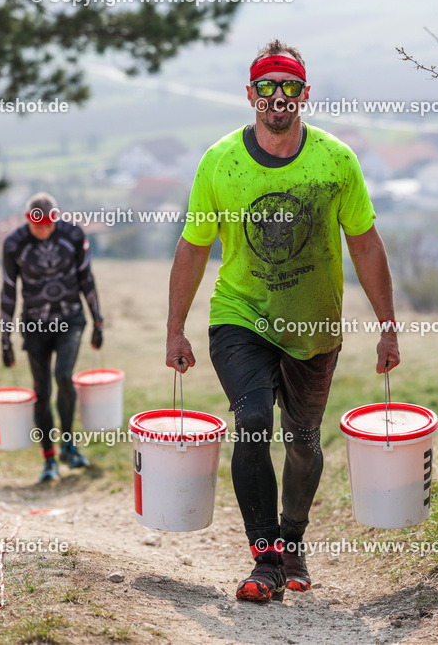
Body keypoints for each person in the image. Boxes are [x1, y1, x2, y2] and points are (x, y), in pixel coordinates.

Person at [165, 39, 400, 602]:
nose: (278, 98)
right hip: (239, 314)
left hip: (314, 326)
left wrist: (387, 324)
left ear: (304, 95)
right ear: (250, 95)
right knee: (250, 420)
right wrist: (175, 326)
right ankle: (264, 555)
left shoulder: (336, 160)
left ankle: (293, 540)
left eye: (289, 87)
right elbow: (195, 247)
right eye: (267, 87)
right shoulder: (219, 161)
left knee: (301, 441)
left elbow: (365, 244)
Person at [1, 192, 104, 483]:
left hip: (71, 319)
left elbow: (87, 278)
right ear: (27, 221)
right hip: (34, 324)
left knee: (63, 376)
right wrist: (4, 338)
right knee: (42, 390)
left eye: (48, 225)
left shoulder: (73, 235)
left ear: (55, 220)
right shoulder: (14, 244)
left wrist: (98, 320)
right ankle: (48, 457)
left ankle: (69, 446)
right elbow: (8, 290)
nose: (43, 231)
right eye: (38, 227)